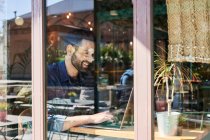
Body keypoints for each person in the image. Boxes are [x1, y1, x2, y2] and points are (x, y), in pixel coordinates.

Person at [47, 39, 113, 132]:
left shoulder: (86, 76)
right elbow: (47, 122)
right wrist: (91, 118)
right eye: (86, 53)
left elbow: (90, 106)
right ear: (70, 50)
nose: (91, 59)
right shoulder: (48, 75)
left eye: (92, 55)